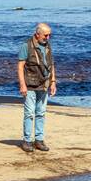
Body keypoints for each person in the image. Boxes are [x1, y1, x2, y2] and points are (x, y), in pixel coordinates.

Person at [16, 22, 56, 154]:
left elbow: (51, 65)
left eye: (49, 35)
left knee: (41, 113)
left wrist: (53, 82)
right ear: (37, 34)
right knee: (29, 113)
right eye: (45, 35)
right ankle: (27, 141)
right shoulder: (26, 46)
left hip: (44, 84)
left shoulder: (48, 46)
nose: (48, 38)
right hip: (30, 85)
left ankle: (39, 140)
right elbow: (20, 66)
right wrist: (22, 85)